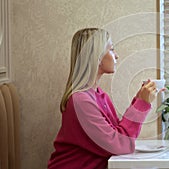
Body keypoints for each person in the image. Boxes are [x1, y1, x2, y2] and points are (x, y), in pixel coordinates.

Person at [48, 28, 161, 169]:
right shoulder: (81, 101)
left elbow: (117, 135)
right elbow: (120, 145)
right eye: (112, 49)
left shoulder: (100, 96)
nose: (117, 56)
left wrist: (139, 99)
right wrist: (142, 104)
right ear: (97, 56)